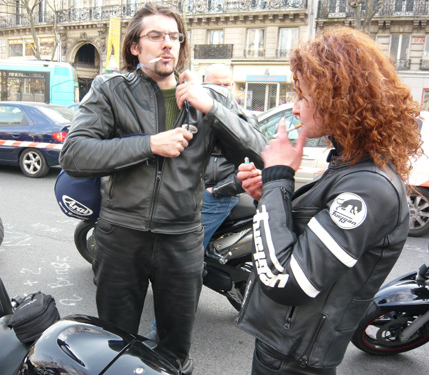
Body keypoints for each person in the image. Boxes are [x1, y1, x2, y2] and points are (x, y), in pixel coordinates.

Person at [59, 3, 266, 373]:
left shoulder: (209, 100)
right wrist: (149, 144)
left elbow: (265, 156)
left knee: (175, 347)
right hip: (120, 236)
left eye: (174, 37)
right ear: (135, 47)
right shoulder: (111, 89)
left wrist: (214, 110)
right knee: (114, 343)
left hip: (182, 239)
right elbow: (73, 154)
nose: (167, 44)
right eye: (155, 36)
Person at [235, 27, 422, 375]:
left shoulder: (369, 186)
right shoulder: (351, 164)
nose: (293, 108)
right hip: (286, 346)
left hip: (294, 359)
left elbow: (287, 279)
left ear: (338, 99)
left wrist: (278, 176)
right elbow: (306, 237)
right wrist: (271, 194)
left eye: (302, 96)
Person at [201, 63, 254, 250]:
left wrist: (215, 191)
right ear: (204, 84)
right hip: (191, 193)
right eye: (216, 85)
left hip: (215, 197)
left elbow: (253, 166)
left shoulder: (244, 121)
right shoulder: (194, 116)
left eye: (226, 85)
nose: (222, 91)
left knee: (187, 251)